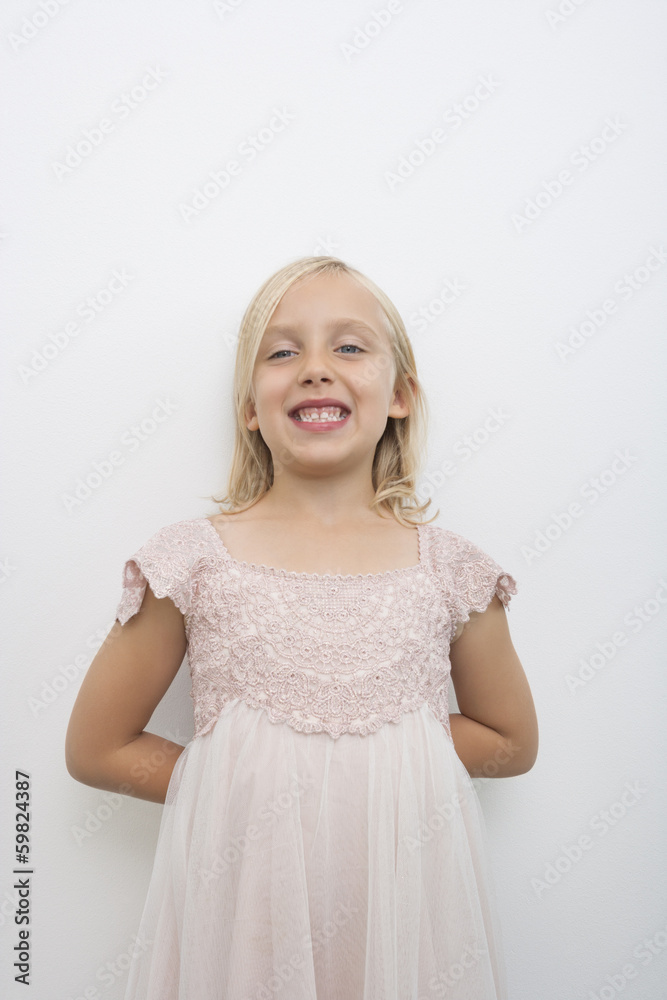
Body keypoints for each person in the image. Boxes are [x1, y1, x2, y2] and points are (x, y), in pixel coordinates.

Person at [65, 255, 538, 999]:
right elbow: (97, 749)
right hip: (246, 913)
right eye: (282, 352)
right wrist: (235, 781)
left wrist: (384, 753)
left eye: (348, 347)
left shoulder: (451, 571)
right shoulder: (192, 561)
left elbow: (510, 742)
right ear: (250, 405)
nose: (315, 368)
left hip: (402, 919)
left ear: (401, 394)